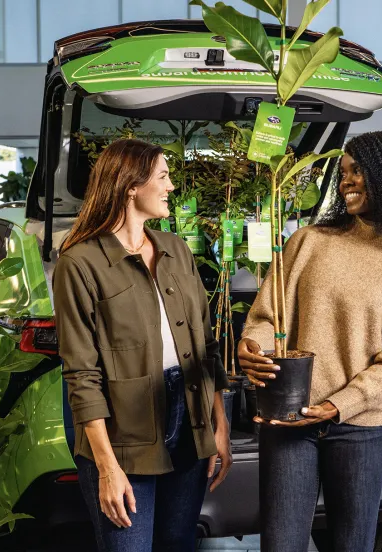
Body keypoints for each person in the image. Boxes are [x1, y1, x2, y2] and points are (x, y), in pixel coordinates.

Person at [238, 131, 382, 552]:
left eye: (358, 171)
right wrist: (252, 346)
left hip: (361, 426)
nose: (346, 181)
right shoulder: (310, 242)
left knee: (351, 545)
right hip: (289, 419)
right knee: (281, 545)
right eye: (344, 172)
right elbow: (268, 314)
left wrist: (340, 405)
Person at [53, 138, 232, 552]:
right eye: (163, 177)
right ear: (131, 185)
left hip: (188, 419)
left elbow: (206, 344)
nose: (171, 187)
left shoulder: (175, 249)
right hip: (122, 434)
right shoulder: (80, 263)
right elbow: (81, 374)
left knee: (178, 542)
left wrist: (218, 425)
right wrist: (106, 468)